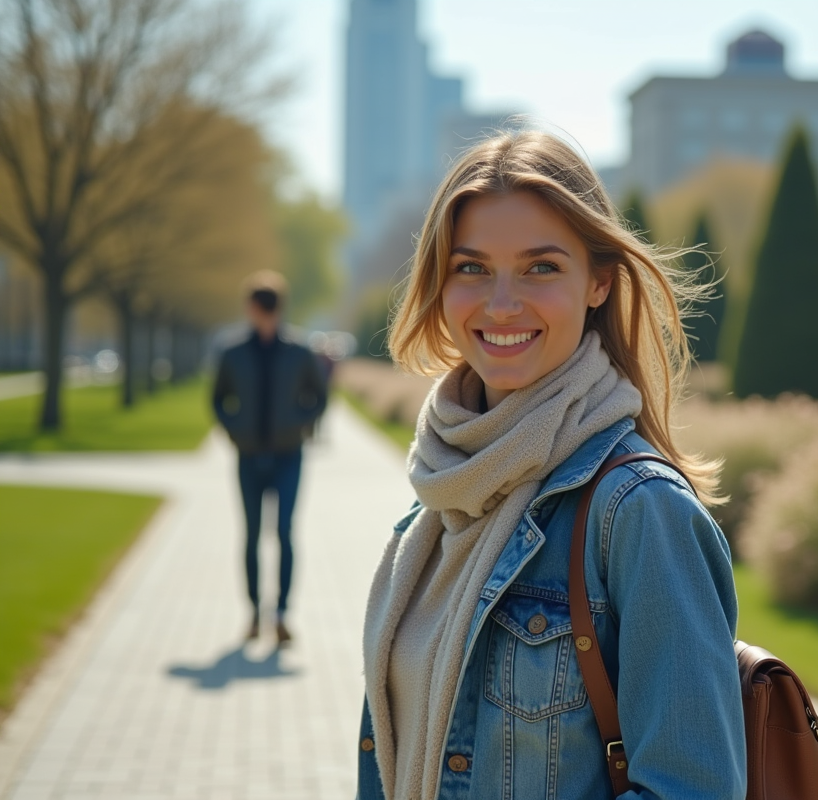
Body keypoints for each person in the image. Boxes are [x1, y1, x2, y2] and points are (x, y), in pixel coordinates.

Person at [357, 130, 746, 800]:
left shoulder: (640, 512)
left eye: (540, 268)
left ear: (598, 281)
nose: (501, 303)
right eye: (471, 267)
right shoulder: (444, 493)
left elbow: (693, 788)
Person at [212, 272, 328, 645]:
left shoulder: (298, 351)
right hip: (248, 456)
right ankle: (252, 614)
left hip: (288, 456)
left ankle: (280, 614)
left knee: (283, 533)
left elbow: (320, 396)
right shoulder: (233, 353)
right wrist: (235, 429)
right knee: (250, 536)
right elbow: (218, 399)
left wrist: (299, 425)